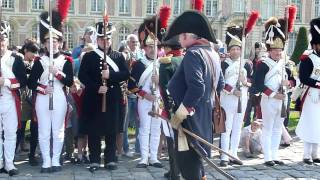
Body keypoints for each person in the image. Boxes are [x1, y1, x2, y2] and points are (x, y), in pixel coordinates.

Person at [163, 10, 221, 180]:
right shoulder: (213, 54)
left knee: (189, 165)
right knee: (197, 164)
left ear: (189, 36)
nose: (179, 39)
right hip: (203, 117)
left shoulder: (193, 54)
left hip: (189, 119)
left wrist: (180, 114)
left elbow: (197, 87)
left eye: (181, 35)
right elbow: (220, 84)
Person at [78, 22, 129, 172]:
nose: (104, 42)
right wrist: (96, 87)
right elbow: (82, 75)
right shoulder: (89, 56)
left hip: (112, 97)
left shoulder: (118, 56)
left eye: (107, 39)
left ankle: (110, 159)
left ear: (111, 39)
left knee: (111, 129)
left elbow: (126, 74)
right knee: (94, 129)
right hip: (94, 98)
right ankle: (94, 159)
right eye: (101, 39)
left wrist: (111, 75)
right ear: (97, 40)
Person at [28, 10, 74, 173]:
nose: (52, 44)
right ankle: (46, 161)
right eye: (48, 42)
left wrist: (57, 73)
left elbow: (69, 81)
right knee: (44, 130)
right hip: (43, 98)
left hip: (60, 96)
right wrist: (43, 89)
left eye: (55, 41)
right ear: (45, 43)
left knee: (58, 130)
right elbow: (31, 82)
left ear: (60, 43)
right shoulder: (39, 61)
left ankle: (56, 160)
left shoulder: (67, 61)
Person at [254, 17, 295, 166]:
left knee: (278, 128)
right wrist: (272, 94)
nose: (278, 52)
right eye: (275, 50)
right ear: (270, 50)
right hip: (269, 99)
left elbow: (294, 81)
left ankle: (275, 154)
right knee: (268, 127)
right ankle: (267, 157)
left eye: (280, 49)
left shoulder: (286, 65)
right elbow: (257, 84)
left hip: (283, 100)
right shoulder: (263, 64)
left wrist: (289, 83)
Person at [128, 15, 163, 168]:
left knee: (156, 129)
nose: (151, 49)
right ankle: (143, 157)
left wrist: (159, 82)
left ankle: (154, 157)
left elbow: (170, 86)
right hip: (144, 100)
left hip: (159, 101)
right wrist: (145, 95)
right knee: (144, 129)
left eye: (153, 46)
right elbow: (131, 86)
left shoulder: (163, 64)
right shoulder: (138, 64)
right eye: (148, 46)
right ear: (144, 47)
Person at [219, 25, 252, 167]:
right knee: (226, 128)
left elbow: (252, 81)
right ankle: (224, 155)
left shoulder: (246, 64)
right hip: (227, 98)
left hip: (242, 98)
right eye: (233, 49)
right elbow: (219, 83)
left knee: (237, 127)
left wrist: (245, 82)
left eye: (238, 49)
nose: (236, 51)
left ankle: (233, 154)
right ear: (229, 50)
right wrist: (232, 91)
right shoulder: (223, 64)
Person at [0, 20, 27, 176]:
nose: (0, 43)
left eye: (2, 40)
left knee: (10, 133)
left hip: (9, 99)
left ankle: (9, 164)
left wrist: (7, 81)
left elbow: (23, 81)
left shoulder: (15, 58)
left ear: (6, 40)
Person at [295, 17, 320, 165]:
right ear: (315, 44)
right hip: (310, 94)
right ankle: (306, 154)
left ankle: (315, 153)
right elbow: (304, 78)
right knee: (310, 122)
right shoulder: (307, 57)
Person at [159, 35, 183, 180]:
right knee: (181, 140)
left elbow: (165, 89)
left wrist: (169, 111)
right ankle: (177, 169)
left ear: (168, 48)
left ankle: (175, 172)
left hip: (171, 108)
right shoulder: (185, 60)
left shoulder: (166, 62)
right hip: (185, 107)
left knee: (171, 140)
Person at [18, 40, 40, 166]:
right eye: (32, 52)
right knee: (20, 128)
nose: (34, 55)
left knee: (35, 129)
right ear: (26, 51)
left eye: (35, 52)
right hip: (23, 99)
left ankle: (32, 155)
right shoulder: (19, 61)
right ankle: (12, 154)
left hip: (35, 98)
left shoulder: (35, 63)